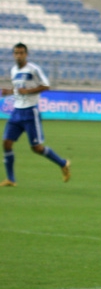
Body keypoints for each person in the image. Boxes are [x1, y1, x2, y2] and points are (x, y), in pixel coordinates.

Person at [1, 43, 70, 187]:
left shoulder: (34, 69)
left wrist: (29, 91)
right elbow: (18, 88)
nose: (18, 56)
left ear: (26, 54)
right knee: (6, 143)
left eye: (21, 53)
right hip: (17, 111)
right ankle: (11, 179)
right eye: (16, 53)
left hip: (30, 112)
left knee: (36, 148)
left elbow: (46, 85)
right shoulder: (14, 70)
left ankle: (63, 163)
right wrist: (9, 91)